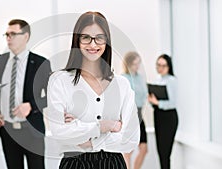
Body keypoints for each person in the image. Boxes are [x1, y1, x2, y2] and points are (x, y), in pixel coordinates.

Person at [47, 11, 140, 169]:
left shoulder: (122, 85)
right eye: (86, 38)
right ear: (77, 41)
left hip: (112, 164)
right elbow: (59, 133)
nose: (93, 44)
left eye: (99, 38)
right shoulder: (60, 81)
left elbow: (131, 138)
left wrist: (85, 137)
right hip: (74, 163)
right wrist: (103, 126)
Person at [0, 19, 51, 169]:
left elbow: (53, 96)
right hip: (8, 131)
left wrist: (31, 106)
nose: (8, 38)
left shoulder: (40, 63)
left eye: (13, 34)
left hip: (33, 131)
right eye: (6, 34)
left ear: (26, 37)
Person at [148, 54, 178, 169]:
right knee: (160, 152)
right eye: (158, 65)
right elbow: (156, 102)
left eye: (163, 65)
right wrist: (152, 101)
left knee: (165, 153)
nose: (160, 68)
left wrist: (157, 103)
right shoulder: (158, 80)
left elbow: (172, 103)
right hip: (158, 116)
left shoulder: (172, 80)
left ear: (169, 66)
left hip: (169, 118)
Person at [122, 51, 148, 169]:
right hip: (129, 115)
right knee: (128, 151)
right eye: (135, 64)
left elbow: (143, 95)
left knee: (144, 149)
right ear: (128, 64)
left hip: (139, 113)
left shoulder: (140, 77)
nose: (137, 66)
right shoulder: (123, 78)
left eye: (139, 63)